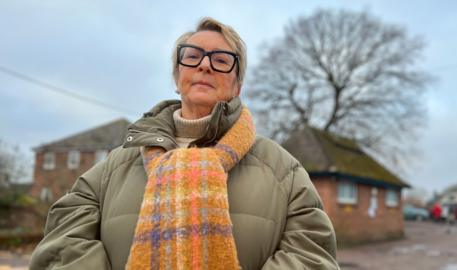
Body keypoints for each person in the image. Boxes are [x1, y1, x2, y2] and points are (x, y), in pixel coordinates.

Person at [30, 17, 339, 270]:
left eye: (221, 60)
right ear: (178, 76)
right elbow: (62, 243)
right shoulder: (114, 166)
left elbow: (312, 255)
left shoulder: (282, 170)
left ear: (237, 85)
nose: (204, 65)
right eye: (192, 56)